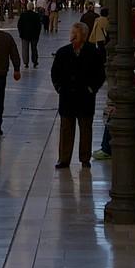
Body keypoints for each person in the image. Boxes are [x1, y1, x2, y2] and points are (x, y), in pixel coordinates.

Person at [51, 23, 105, 169]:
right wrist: (59, 87)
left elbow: (100, 74)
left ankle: (85, 158)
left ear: (84, 36)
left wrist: (92, 89)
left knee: (85, 129)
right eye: (72, 32)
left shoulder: (93, 53)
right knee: (66, 129)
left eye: (76, 33)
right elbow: (55, 72)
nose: (73, 36)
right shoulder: (63, 52)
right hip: (67, 97)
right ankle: (64, 159)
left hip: (85, 98)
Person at [17, 0, 44, 68]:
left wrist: (21, 33)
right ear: (33, 7)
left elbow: (19, 25)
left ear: (27, 7)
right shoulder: (36, 15)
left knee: (25, 49)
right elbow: (39, 26)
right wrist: (38, 34)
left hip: (24, 35)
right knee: (34, 49)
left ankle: (26, 63)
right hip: (34, 35)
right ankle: (35, 61)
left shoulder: (23, 15)